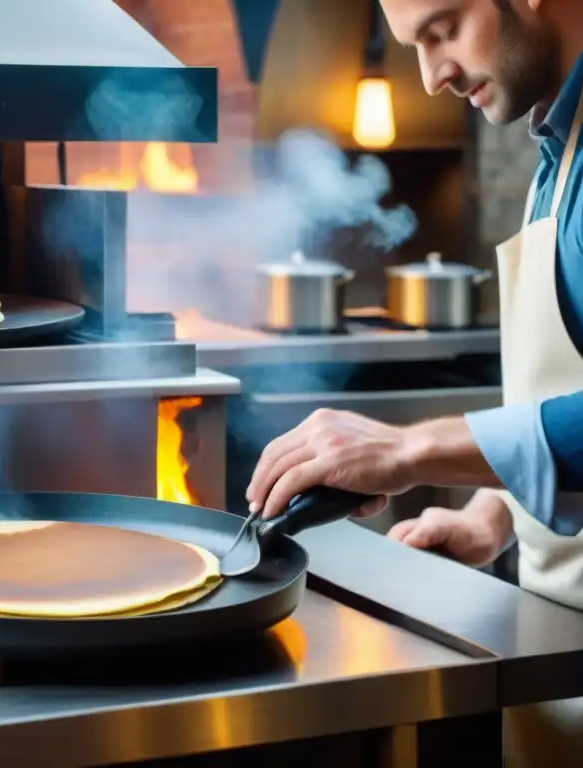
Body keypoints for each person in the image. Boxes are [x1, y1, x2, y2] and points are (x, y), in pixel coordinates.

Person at [246, 1, 583, 765]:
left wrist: (409, 448)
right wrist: (493, 518)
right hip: (558, 675)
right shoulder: (556, 148)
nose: (432, 76)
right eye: (415, 46)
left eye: (443, 29)